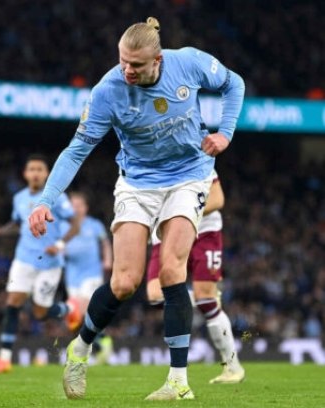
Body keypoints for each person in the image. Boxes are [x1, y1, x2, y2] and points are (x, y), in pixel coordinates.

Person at [28, 17, 244, 401]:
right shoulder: (107, 91)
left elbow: (233, 83)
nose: (127, 70)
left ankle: (178, 381)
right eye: (123, 61)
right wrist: (46, 201)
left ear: (158, 60)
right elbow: (76, 150)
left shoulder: (189, 62)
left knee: (172, 272)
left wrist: (225, 132)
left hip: (190, 176)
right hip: (138, 183)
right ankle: (81, 348)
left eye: (137, 65)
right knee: (125, 282)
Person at [0, 154, 81, 374]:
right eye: (31, 169)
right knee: (13, 302)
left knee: (39, 313)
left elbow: (75, 224)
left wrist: (61, 244)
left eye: (40, 169)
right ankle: (4, 359)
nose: (35, 173)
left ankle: (70, 308)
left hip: (50, 261)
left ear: (47, 174)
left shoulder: (57, 198)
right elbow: (18, 224)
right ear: (25, 174)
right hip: (24, 258)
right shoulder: (19, 198)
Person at [147, 173, 245, 383]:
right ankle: (204, 298)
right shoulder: (151, 161)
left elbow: (218, 199)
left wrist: (181, 213)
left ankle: (233, 367)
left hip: (205, 233)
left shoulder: (199, 159)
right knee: (155, 295)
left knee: (206, 301)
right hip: (164, 235)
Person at [61, 192, 114, 363]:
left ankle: (94, 345)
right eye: (72, 206)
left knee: (82, 308)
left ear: (85, 208)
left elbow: (105, 242)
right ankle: (99, 342)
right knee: (75, 317)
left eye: (79, 205)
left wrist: (108, 259)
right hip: (72, 275)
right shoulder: (63, 226)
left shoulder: (94, 225)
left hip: (91, 273)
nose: (75, 209)